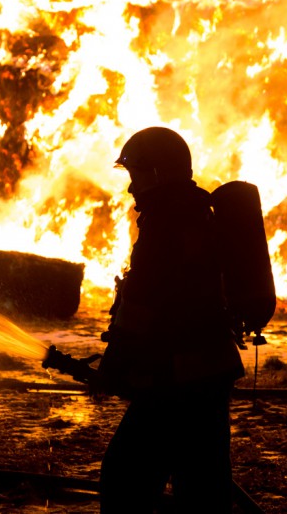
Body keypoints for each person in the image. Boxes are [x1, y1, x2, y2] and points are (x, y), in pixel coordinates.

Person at [97, 126, 245, 513]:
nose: (132, 188)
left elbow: (143, 302)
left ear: (158, 173)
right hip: (208, 375)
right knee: (202, 489)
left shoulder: (167, 222)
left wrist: (114, 363)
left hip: (177, 382)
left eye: (136, 175)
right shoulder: (196, 213)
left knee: (124, 479)